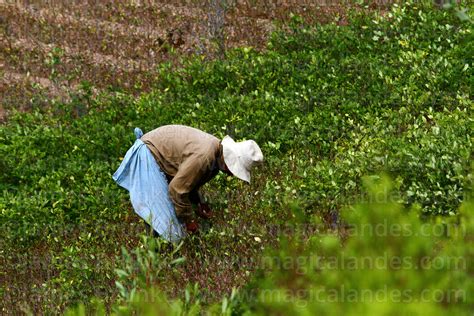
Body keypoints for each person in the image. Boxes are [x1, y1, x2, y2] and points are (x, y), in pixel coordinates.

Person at [113, 125, 263, 241]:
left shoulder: (215, 153)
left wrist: (199, 203)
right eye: (234, 171)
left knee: (168, 222)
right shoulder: (204, 158)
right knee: (166, 225)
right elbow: (177, 190)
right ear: (230, 162)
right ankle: (154, 261)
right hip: (148, 155)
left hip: (157, 155)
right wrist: (190, 221)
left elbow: (189, 182)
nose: (232, 174)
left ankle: (158, 255)